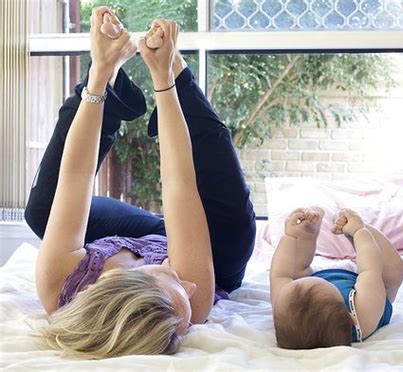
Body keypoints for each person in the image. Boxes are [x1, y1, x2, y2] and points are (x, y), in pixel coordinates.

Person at [24, 7, 255, 358]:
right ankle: (184, 83)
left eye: (176, 283)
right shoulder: (197, 297)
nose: (187, 285)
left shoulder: (59, 282)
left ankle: (112, 88)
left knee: (43, 210)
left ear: (117, 279)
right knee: (234, 232)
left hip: (134, 239)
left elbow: (76, 175)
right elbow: (180, 183)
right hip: (210, 250)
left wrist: (99, 72)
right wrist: (166, 78)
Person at [270, 207, 403, 348]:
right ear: (350, 318)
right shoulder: (363, 315)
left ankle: (307, 234)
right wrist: (359, 232)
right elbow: (370, 269)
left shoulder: (285, 310)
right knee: (392, 273)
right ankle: (355, 225)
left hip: (319, 291)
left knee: (296, 271)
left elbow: (281, 275)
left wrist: (291, 236)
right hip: (372, 292)